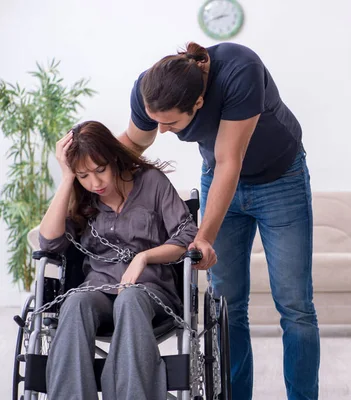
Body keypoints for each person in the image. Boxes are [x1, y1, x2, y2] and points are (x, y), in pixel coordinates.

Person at [118, 41, 320, 400]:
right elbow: (133, 145)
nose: (162, 131)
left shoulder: (240, 69)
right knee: (227, 304)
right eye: (157, 121)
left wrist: (204, 236)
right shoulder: (149, 87)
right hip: (219, 176)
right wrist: (85, 162)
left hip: (281, 180)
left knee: (294, 306)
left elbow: (231, 160)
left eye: (170, 123)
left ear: (198, 103)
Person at [39, 121, 198, 399]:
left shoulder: (151, 182)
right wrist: (67, 178)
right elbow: (49, 242)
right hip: (98, 292)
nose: (95, 183)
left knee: (130, 298)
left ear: (113, 157)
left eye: (100, 170)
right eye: (83, 175)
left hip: (151, 293)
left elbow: (186, 236)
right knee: (75, 301)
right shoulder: (80, 194)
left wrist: (143, 257)